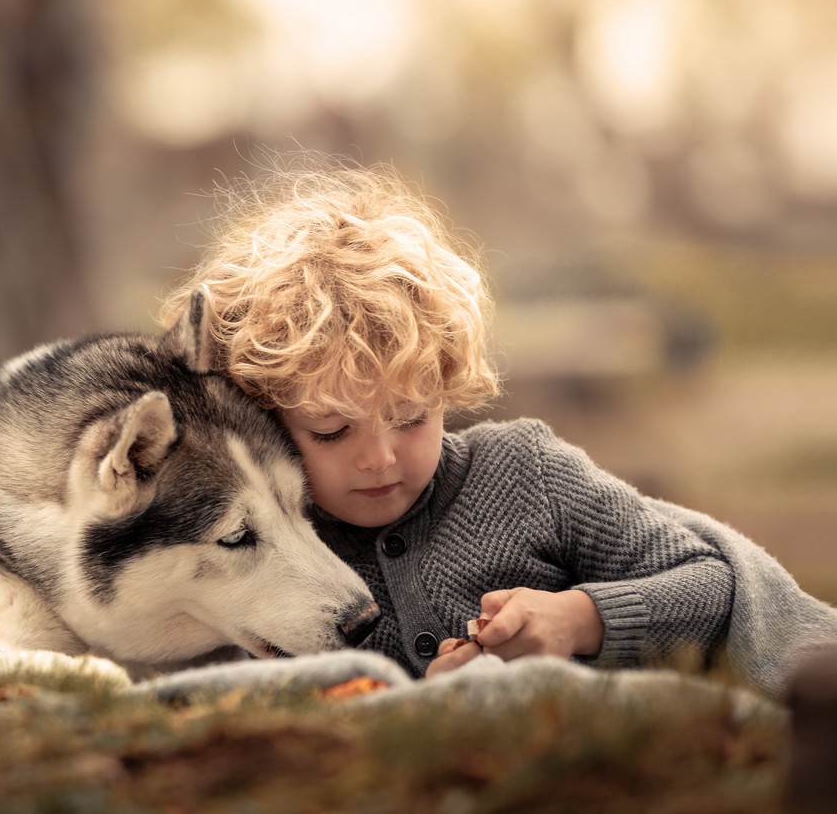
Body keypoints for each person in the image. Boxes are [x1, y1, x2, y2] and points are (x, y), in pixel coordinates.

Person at [159, 160, 748, 683]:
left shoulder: (526, 474)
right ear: (259, 421)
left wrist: (577, 620)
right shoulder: (256, 550)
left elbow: (712, 587)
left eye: (411, 418)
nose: (379, 458)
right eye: (332, 432)